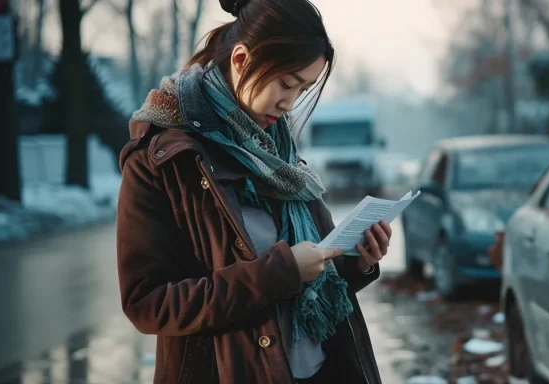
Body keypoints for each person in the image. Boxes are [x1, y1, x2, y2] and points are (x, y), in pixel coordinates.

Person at [115, 0, 391, 382]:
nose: (289, 103)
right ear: (242, 59)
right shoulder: (162, 160)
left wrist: (357, 261)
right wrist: (279, 272)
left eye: (303, 89)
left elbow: (313, 278)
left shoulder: (278, 152)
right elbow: (147, 304)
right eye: (286, 83)